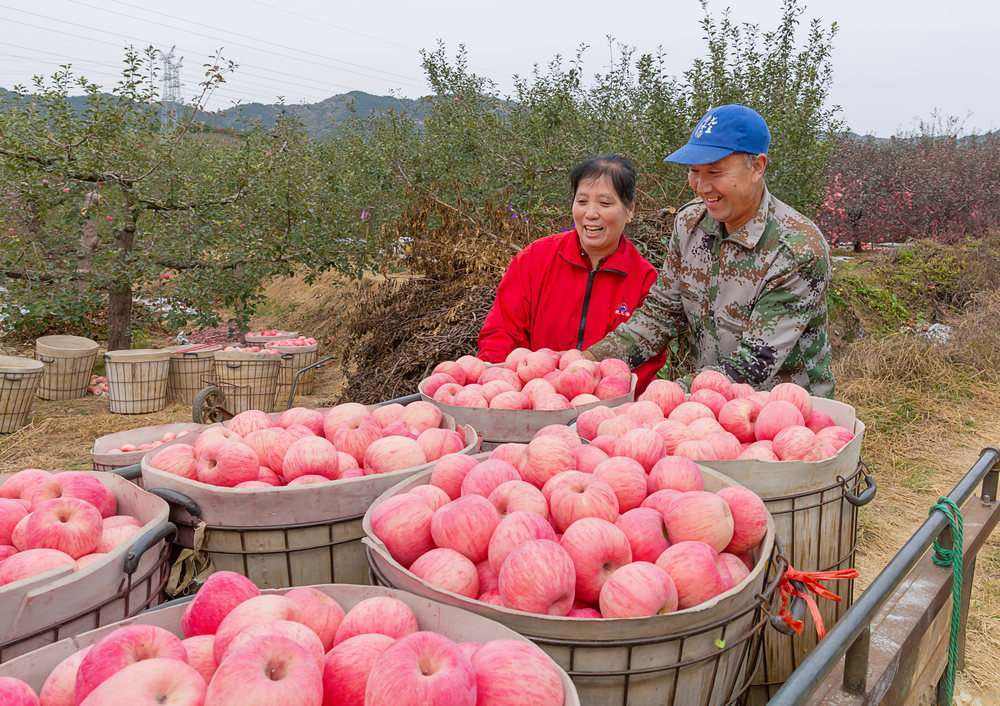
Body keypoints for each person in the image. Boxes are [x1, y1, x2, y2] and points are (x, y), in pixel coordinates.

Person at [584, 105, 835, 396]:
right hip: (706, 406)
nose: (702, 187)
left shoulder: (796, 249)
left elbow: (755, 363)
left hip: (784, 414)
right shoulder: (691, 223)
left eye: (715, 172)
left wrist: (664, 398)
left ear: (758, 167)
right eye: (693, 171)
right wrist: (590, 362)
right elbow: (661, 313)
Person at [477, 155, 666, 392]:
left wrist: (601, 394)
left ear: (629, 210)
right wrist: (508, 386)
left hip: (607, 410)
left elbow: (648, 357)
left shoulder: (644, 279)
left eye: (605, 204)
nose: (590, 214)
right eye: (582, 201)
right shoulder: (535, 259)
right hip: (530, 398)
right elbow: (500, 331)